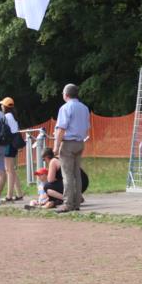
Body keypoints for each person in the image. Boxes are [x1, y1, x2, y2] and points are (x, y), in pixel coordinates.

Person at [53, 83, 90, 213]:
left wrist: (56, 146)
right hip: (80, 142)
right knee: (76, 174)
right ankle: (76, 202)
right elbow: (86, 126)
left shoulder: (65, 108)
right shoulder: (84, 108)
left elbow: (61, 128)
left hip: (68, 143)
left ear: (66, 94)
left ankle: (68, 203)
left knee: (67, 174)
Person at [1, 97, 24, 202]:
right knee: (12, 170)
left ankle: (9, 196)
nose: (1, 106)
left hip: (9, 144)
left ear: (5, 106)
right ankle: (19, 193)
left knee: (9, 170)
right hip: (14, 144)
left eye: (2, 105)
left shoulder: (6, 116)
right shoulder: (13, 116)